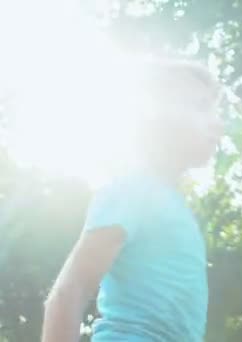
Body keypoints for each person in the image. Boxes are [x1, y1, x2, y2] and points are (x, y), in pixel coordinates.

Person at [41, 58, 224, 341]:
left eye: (216, 110)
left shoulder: (177, 208)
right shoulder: (131, 190)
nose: (217, 123)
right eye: (201, 107)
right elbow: (69, 292)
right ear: (155, 116)